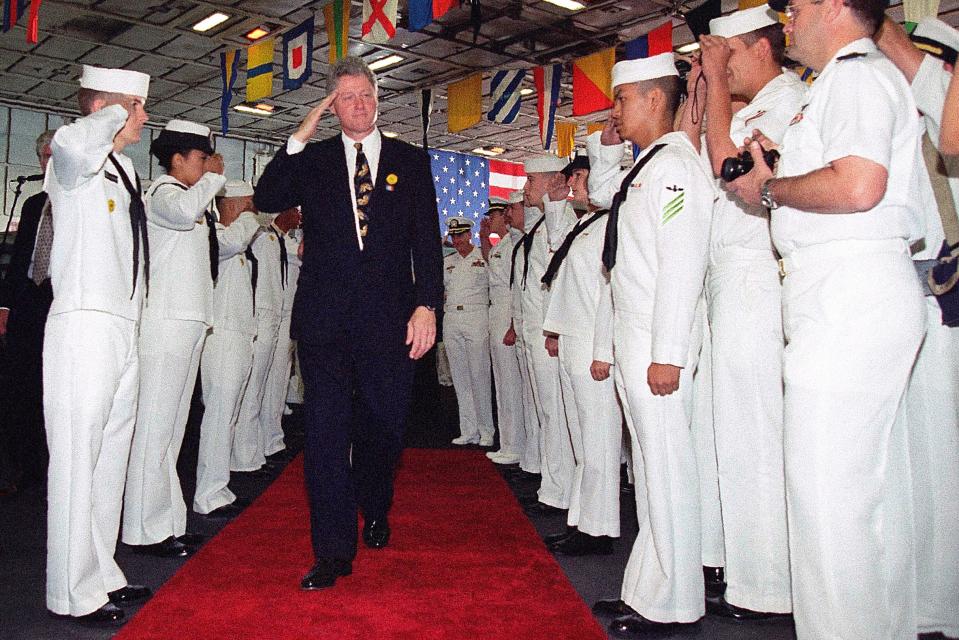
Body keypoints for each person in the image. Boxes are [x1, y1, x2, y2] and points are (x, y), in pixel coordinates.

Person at [726, 0, 931, 634]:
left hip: (849, 296)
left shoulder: (858, 76)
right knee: (859, 499)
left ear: (838, 6)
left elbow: (859, 186)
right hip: (846, 294)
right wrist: (781, 169)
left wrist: (769, 189)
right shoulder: (838, 83)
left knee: (826, 502)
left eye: (799, 5)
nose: (788, 16)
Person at [253, 55, 442, 591]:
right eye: (347, 97)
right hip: (325, 322)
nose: (359, 105)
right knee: (327, 437)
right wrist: (298, 135)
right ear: (333, 105)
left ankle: (375, 502)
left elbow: (426, 239)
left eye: (367, 95)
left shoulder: (409, 159)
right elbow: (268, 198)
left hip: (390, 321)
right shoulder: (310, 160)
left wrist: (428, 304)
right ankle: (333, 553)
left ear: (377, 99)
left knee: (384, 427)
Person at [587, 53, 715, 637]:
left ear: (656, 100)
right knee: (651, 469)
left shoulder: (677, 170)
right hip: (635, 339)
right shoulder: (651, 165)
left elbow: (681, 264)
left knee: (666, 470)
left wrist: (668, 352)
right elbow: (604, 194)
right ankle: (650, 588)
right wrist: (607, 142)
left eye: (622, 98)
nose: (615, 109)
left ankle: (675, 598)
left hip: (657, 346)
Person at [687, 5, 807, 619]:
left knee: (757, 435)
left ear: (761, 47)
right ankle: (737, 563)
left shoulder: (789, 100)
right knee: (727, 436)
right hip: (726, 287)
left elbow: (728, 168)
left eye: (724, 55)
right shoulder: (744, 108)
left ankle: (770, 586)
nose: (718, 67)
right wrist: (700, 92)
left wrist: (712, 99)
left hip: (760, 282)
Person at [43, 64, 153, 626]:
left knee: (111, 456)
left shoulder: (124, 169)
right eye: (140, 107)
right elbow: (68, 143)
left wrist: (119, 116)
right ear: (109, 107)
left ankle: (101, 571)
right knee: (77, 461)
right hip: (83, 323)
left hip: (122, 326)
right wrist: (111, 109)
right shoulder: (73, 160)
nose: (145, 118)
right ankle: (71, 590)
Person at [874, 16, 959, 639]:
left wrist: (894, 44)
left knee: (940, 461)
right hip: (909, 297)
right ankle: (923, 599)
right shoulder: (902, 126)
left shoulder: (938, 114)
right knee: (914, 462)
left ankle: (941, 603)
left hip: (944, 299)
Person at [121, 121, 226, 558]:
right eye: (201, 159)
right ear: (178, 159)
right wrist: (218, 177)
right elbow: (183, 217)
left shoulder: (193, 201)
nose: (206, 167)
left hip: (188, 323)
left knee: (172, 431)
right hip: (165, 323)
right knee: (154, 430)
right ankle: (144, 530)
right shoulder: (163, 194)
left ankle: (166, 522)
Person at [541, 155, 622, 556]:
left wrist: (604, 350)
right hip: (574, 337)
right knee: (581, 438)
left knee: (599, 438)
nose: (574, 182)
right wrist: (556, 201)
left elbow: (611, 288)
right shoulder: (587, 223)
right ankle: (582, 518)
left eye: (580, 177)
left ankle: (600, 528)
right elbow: (557, 250)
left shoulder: (614, 221)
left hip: (593, 341)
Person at [193, 180, 265, 518]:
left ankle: (219, 486)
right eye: (249, 203)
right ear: (233, 204)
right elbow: (232, 241)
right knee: (219, 415)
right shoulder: (216, 237)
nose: (254, 209)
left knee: (229, 414)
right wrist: (251, 218)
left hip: (239, 335)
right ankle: (207, 494)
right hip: (220, 338)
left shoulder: (233, 240)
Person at [519, 154, 576, 515]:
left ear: (552, 182)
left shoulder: (562, 221)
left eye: (532, 182)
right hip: (533, 327)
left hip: (547, 331)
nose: (526, 188)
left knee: (556, 412)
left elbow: (558, 281)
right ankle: (550, 483)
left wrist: (552, 329)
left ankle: (561, 491)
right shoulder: (541, 223)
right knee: (546, 411)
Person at [0, 130, 55, 494]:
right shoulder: (33, 204)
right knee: (19, 388)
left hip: (60, 303)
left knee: (52, 391)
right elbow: (21, 257)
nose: (48, 164)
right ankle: (24, 470)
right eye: (44, 157)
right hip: (27, 303)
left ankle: (52, 469)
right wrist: (5, 304)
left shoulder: (86, 202)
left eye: (55, 157)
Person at [231, 207, 286, 475]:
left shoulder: (272, 236)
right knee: (252, 389)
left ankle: (255, 449)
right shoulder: (259, 236)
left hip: (274, 310)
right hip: (261, 312)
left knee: (262, 386)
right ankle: (245, 456)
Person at [480, 200, 526, 465]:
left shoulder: (515, 244)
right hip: (496, 311)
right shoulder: (502, 247)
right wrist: (485, 238)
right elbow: (491, 263)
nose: (493, 219)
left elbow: (516, 286)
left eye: (495, 215)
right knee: (502, 382)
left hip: (507, 310)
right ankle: (508, 442)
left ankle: (515, 445)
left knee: (510, 384)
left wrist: (512, 324)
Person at [442, 216, 494, 446]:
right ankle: (468, 429)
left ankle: (486, 430)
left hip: (476, 316)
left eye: (460, 235)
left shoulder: (482, 257)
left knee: (479, 375)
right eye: (453, 236)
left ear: (468, 235)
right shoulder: (448, 261)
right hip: (452, 316)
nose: (457, 240)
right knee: (460, 377)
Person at [260, 207, 303, 462]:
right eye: (294, 210)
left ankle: (273, 437)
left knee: (279, 378)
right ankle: (267, 439)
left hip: (286, 313)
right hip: (275, 312)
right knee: (270, 380)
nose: (299, 216)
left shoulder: (284, 240)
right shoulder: (271, 240)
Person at [504, 189, 542, 477]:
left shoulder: (541, 237)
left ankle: (543, 465)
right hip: (524, 327)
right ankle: (533, 460)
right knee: (531, 400)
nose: (508, 215)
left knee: (545, 405)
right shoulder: (522, 243)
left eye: (513, 209)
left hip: (540, 330)